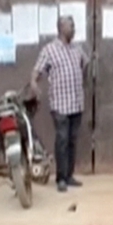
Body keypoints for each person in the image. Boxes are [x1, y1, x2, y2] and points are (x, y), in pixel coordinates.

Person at [31, 15, 89, 193]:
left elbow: (85, 63)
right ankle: (61, 178)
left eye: (73, 25)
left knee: (72, 140)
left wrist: (83, 78)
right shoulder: (49, 50)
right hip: (60, 104)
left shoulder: (77, 48)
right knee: (62, 139)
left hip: (76, 102)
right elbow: (36, 71)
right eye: (70, 26)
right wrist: (34, 85)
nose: (73, 29)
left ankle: (69, 175)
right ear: (61, 28)